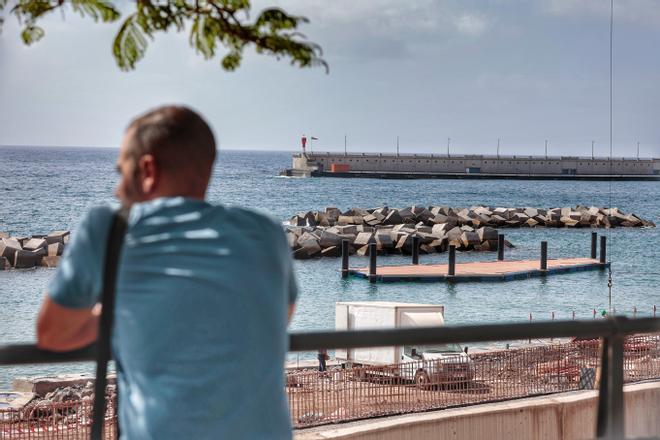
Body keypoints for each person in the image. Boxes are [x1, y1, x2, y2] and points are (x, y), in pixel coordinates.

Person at [36, 105, 298, 439]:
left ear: (147, 170)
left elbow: (53, 332)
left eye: (122, 173)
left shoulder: (110, 229)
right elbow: (281, 314)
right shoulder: (266, 232)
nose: (117, 190)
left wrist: (130, 314)